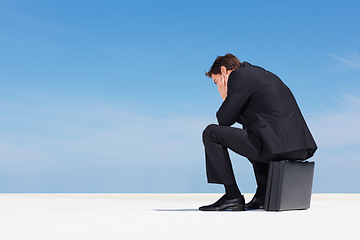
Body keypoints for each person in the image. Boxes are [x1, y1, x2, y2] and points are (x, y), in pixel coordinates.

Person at [199, 54, 317, 211]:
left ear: (224, 70)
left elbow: (224, 119)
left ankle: (232, 196)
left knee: (211, 133)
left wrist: (224, 96)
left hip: (275, 144)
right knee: (251, 130)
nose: (218, 86)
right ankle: (262, 195)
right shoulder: (259, 74)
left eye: (216, 82)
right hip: (298, 145)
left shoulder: (238, 75)